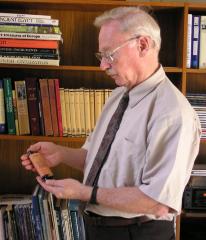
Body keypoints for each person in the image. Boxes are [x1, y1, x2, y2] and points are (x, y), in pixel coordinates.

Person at [21, 7, 201, 240]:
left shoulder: (173, 114)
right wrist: (60, 154)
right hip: (98, 229)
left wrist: (85, 193)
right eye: (101, 56)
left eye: (109, 54)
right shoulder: (118, 95)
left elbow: (158, 202)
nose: (103, 66)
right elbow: (98, 159)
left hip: (137, 234)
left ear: (143, 45)